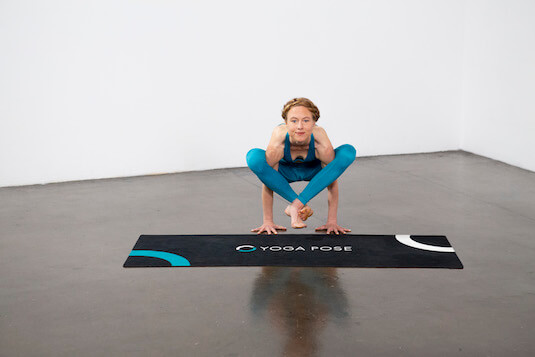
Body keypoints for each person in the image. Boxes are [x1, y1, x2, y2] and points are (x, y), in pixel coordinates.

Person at [246, 97, 356, 235]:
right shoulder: (279, 138)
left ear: (314, 122)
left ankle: (295, 205)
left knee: (348, 152)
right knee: (254, 157)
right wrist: (268, 221)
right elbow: (268, 179)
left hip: (316, 173)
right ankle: (297, 203)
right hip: (284, 173)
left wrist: (332, 221)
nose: (299, 126)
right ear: (285, 122)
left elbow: (332, 178)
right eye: (294, 121)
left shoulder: (320, 139)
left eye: (306, 120)